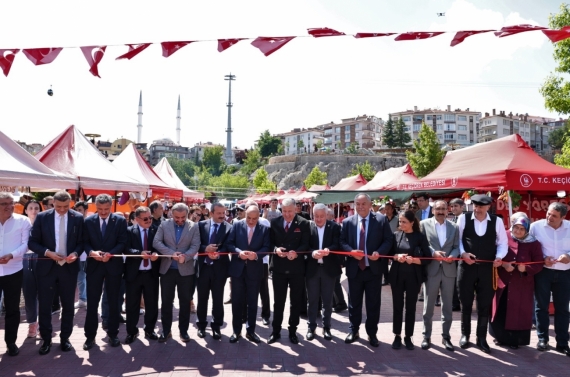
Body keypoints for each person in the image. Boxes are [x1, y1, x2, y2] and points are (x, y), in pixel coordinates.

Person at [28, 191, 84, 355]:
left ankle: (65, 339)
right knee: (45, 305)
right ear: (53, 203)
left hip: (68, 267)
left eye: (66, 207)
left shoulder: (77, 218)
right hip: (46, 268)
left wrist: (75, 253)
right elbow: (32, 242)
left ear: (70, 203)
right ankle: (46, 340)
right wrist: (47, 252)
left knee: (68, 305)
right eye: (58, 207)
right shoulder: (42, 217)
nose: (62, 210)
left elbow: (81, 242)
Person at [340, 193, 393, 347]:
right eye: (358, 204)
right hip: (354, 269)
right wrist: (351, 251)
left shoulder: (381, 220)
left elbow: (388, 239)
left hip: (373, 269)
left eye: (364, 204)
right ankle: (354, 330)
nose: (361, 207)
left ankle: (372, 333)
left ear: (370, 205)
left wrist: (379, 252)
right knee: (354, 303)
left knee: (373, 303)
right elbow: (342, 241)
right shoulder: (348, 222)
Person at [456, 194, 507, 353]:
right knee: (465, 302)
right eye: (475, 206)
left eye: (481, 207)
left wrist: (499, 257)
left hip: (487, 268)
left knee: (484, 304)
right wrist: (463, 254)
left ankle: (482, 338)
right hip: (467, 267)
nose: (477, 210)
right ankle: (465, 335)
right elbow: (457, 240)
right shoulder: (463, 219)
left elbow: (502, 243)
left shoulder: (497, 221)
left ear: (488, 207)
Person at [490, 212, 543, 349]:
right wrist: (503, 264)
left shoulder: (534, 243)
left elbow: (539, 264)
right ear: (512, 226)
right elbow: (494, 255)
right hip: (504, 280)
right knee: (501, 309)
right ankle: (499, 337)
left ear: (527, 230)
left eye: (522, 229)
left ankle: (514, 340)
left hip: (522, 284)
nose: (518, 231)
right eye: (516, 228)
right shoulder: (504, 237)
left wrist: (525, 269)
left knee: (518, 312)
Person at [82, 194, 128, 350]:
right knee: (92, 303)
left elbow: (123, 242)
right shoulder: (88, 221)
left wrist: (111, 254)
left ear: (111, 207)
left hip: (113, 266)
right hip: (94, 267)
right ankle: (90, 337)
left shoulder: (120, 221)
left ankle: (113, 335)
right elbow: (84, 242)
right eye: (100, 209)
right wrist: (92, 252)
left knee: (114, 302)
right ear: (95, 207)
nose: (103, 212)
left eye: (106, 209)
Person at [153, 203, 200, 342]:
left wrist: (185, 256)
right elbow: (157, 242)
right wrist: (171, 254)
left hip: (186, 271)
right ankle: (166, 330)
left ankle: (183, 331)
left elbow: (195, 245)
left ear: (187, 214)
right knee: (166, 302)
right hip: (167, 270)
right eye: (177, 217)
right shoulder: (164, 225)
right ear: (171, 214)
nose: (180, 220)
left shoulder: (193, 226)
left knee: (185, 302)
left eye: (183, 217)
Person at [530, 202, 570, 355]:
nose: (549, 217)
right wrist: (542, 258)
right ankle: (542, 339)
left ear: (563, 217)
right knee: (541, 306)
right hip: (543, 271)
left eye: (554, 216)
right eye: (548, 213)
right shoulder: (535, 226)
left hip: (565, 273)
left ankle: (562, 342)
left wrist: (568, 256)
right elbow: (530, 247)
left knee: (562, 309)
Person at [269, 198, 311, 345]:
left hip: (296, 268)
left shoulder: (304, 223)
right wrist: (275, 249)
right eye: (284, 211)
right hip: (279, 267)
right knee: (278, 302)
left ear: (295, 210)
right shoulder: (274, 222)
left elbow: (306, 243)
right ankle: (275, 331)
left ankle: (293, 331)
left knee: (295, 302)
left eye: (290, 211)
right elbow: (270, 242)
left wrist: (297, 252)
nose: (287, 214)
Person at [226, 205, 271, 343]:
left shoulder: (264, 229)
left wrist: (256, 255)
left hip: (255, 270)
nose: (251, 221)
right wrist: (239, 252)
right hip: (238, 270)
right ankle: (236, 331)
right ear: (245, 215)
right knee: (237, 301)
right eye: (249, 218)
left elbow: (267, 247)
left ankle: (250, 331)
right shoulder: (236, 225)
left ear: (259, 217)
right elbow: (229, 243)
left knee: (252, 302)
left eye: (254, 219)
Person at [420, 200, 460, 351]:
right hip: (432, 269)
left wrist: (453, 256)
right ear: (433, 210)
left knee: (447, 306)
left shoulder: (454, 227)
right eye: (438, 209)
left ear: (447, 210)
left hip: (449, 270)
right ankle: (426, 336)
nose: (441, 211)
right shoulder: (424, 224)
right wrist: (432, 253)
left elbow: (456, 246)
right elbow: (422, 244)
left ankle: (446, 337)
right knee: (428, 306)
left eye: (443, 208)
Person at [389, 210, 431, 350]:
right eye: (400, 222)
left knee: (410, 308)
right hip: (397, 276)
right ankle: (397, 335)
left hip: (414, 277)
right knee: (397, 306)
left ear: (412, 222)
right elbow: (389, 255)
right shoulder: (396, 235)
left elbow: (428, 258)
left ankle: (408, 336)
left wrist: (414, 260)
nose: (401, 224)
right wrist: (397, 256)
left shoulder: (420, 237)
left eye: (404, 222)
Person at [0, 192, 32, 356]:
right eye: (4, 203)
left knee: (12, 309)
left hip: (14, 270)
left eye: (11, 202)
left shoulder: (23, 220)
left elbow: (26, 244)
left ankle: (11, 343)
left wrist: (11, 255)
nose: (9, 206)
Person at [123, 206, 160, 344]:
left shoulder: (156, 230)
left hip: (151, 273)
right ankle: (131, 332)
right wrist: (139, 253)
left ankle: (149, 330)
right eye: (145, 218)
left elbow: (159, 246)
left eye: (150, 217)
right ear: (137, 219)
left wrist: (157, 255)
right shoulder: (128, 231)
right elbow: (125, 248)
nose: (149, 220)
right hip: (134, 273)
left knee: (152, 303)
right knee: (132, 304)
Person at [306, 203, 342, 341]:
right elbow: (305, 245)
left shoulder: (334, 227)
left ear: (327, 215)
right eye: (316, 216)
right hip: (313, 269)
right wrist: (312, 252)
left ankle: (326, 327)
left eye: (321, 216)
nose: (319, 219)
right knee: (312, 300)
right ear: (312, 215)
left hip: (328, 269)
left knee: (328, 301)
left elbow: (337, 244)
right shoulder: (309, 227)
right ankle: (311, 327)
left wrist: (329, 250)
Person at [196, 203, 231, 340]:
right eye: (219, 213)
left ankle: (216, 327)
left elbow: (229, 245)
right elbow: (195, 243)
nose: (222, 216)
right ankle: (201, 326)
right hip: (203, 268)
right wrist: (205, 249)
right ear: (211, 213)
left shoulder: (229, 227)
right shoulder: (200, 225)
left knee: (218, 299)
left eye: (224, 213)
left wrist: (218, 253)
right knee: (202, 298)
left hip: (219, 269)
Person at [22, 200, 42, 338]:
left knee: (43, 294)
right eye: (31, 208)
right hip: (24, 260)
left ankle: (43, 324)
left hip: (42, 260)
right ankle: (32, 323)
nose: (34, 211)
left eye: (36, 208)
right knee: (29, 294)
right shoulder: (21, 224)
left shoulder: (44, 224)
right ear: (26, 210)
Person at [448, 198, 465, 312]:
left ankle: (459, 302)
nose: (453, 208)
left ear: (462, 207)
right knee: (453, 280)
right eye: (452, 206)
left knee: (460, 281)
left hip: (463, 254)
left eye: (456, 206)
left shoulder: (466, 219)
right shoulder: (452, 219)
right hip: (453, 254)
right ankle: (454, 303)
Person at [73, 201, 89, 309]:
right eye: (76, 210)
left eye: (80, 210)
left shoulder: (89, 222)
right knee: (80, 278)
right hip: (77, 255)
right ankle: (83, 299)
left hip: (89, 255)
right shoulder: (74, 222)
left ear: (85, 211)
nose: (78, 212)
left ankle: (87, 299)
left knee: (88, 278)